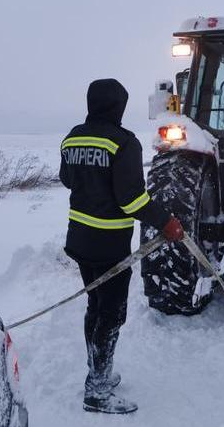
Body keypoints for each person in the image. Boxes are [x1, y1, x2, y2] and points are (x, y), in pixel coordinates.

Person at [59, 78, 185, 415]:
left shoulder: (73, 136)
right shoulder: (123, 142)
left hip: (80, 238)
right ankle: (97, 390)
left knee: (95, 304)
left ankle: (97, 372)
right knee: (112, 313)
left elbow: (67, 180)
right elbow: (132, 201)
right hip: (110, 243)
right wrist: (166, 221)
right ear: (118, 106)